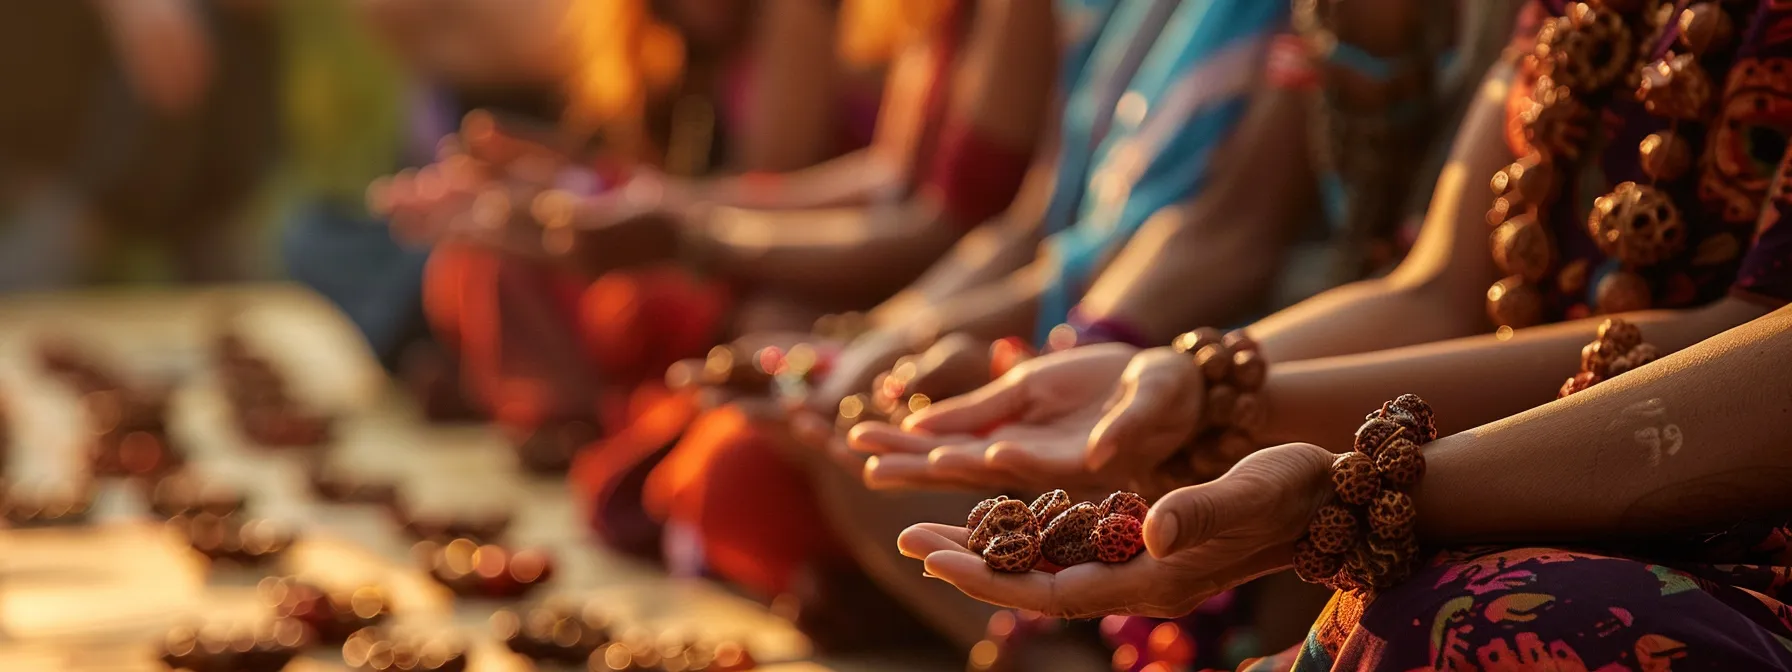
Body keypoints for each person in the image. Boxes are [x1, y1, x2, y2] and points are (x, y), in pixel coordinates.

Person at [897, 301, 1792, 669]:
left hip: (1734, 516)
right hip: (1517, 444)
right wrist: (1208, 394)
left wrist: (1336, 509)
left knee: (1451, 621)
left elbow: (1737, 332)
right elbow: (1439, 288)